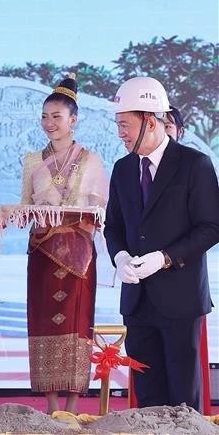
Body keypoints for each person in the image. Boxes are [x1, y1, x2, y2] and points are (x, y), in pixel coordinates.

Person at [105, 76, 219, 411]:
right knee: (147, 399)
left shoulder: (193, 164)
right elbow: (113, 227)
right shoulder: (123, 169)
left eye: (125, 125)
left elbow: (211, 227)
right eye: (118, 125)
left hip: (180, 301)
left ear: (150, 121)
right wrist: (121, 257)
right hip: (137, 302)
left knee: (184, 400)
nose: (120, 133)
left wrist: (165, 258)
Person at [20, 75, 109, 414]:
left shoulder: (92, 161)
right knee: (43, 320)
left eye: (56, 117)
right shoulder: (32, 160)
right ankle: (51, 402)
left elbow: (100, 212)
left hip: (79, 256)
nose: (49, 123)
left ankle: (73, 403)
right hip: (42, 252)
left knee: (75, 321)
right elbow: (26, 206)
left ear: (73, 120)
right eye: (44, 116)